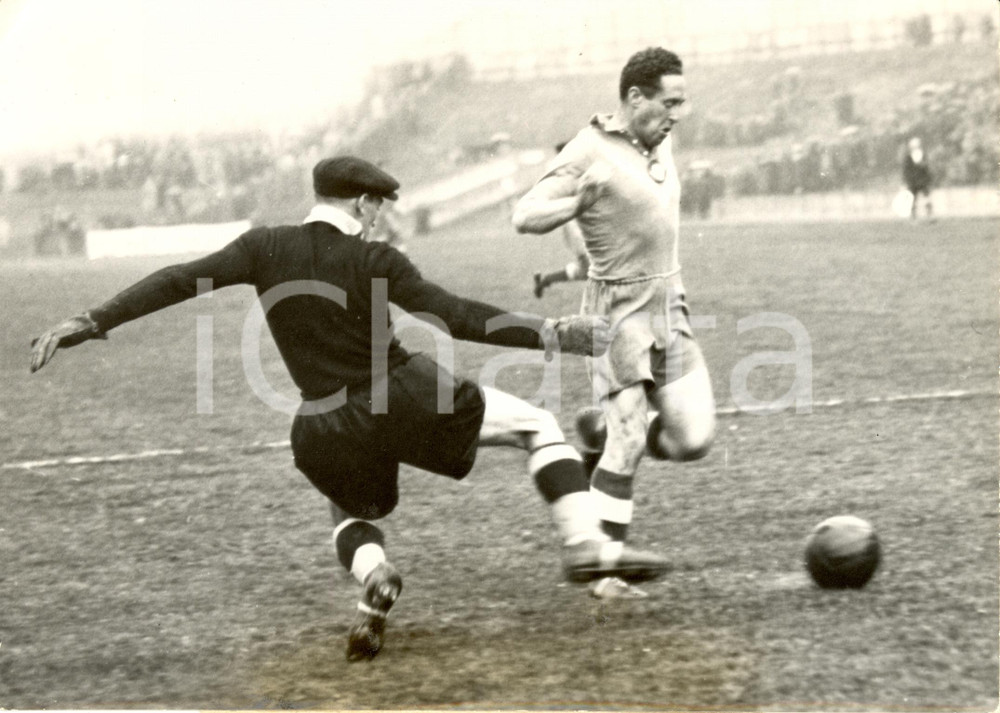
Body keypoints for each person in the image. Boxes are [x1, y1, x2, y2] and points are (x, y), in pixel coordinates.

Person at [30, 155, 671, 662]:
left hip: (321, 422)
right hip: (404, 395)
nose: (381, 219)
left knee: (348, 509)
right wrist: (549, 332)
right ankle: (587, 546)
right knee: (538, 426)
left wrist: (95, 318)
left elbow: (176, 278)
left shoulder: (262, 247)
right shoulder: (374, 256)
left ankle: (375, 580)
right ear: (361, 202)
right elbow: (453, 317)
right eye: (379, 207)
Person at [513, 48, 716, 599]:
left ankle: (602, 433)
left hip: (670, 300)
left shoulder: (661, 137)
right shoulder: (587, 149)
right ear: (635, 98)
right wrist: (578, 200)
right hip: (618, 308)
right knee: (629, 441)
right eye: (669, 102)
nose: (678, 113)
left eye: (681, 101)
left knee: (695, 438)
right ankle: (605, 575)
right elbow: (524, 215)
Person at [531, 143, 591, 298]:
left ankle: (545, 280)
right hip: (576, 225)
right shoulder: (561, 173)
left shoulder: (571, 169)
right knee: (589, 270)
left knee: (588, 270)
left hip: (581, 223)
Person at [902, 136, 933, 221]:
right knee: (913, 199)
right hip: (913, 181)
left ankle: (929, 215)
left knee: (927, 197)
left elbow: (927, 169)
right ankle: (913, 217)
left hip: (922, 181)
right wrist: (907, 181)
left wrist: (928, 179)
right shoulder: (908, 157)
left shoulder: (923, 155)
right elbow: (906, 171)